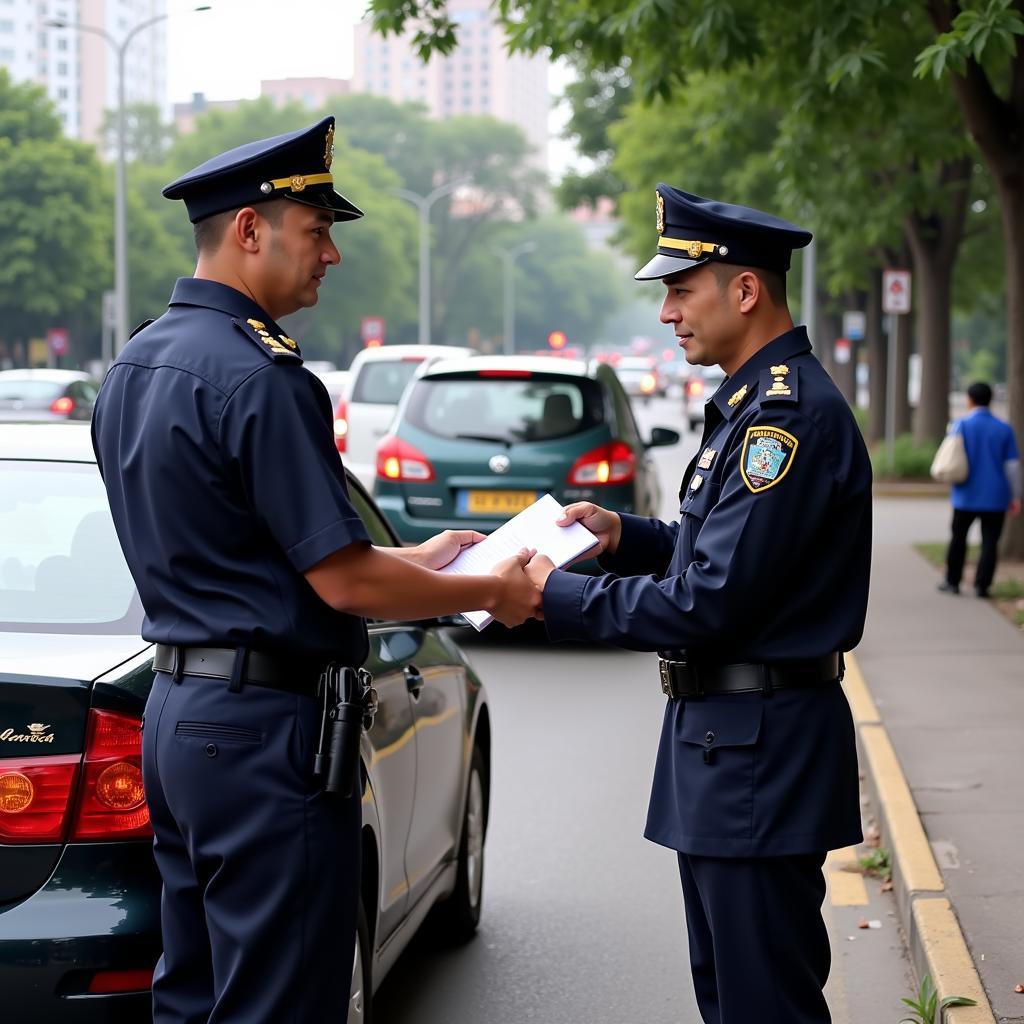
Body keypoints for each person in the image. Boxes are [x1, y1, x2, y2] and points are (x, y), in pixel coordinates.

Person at [90, 116, 541, 1024]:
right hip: (264, 735)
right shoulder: (264, 377)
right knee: (281, 1000)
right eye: (317, 229)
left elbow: (247, 546)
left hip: (180, 720)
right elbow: (342, 584)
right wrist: (490, 589)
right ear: (251, 230)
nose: (330, 254)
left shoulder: (135, 365)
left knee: (195, 992)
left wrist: (415, 557)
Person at [525, 184, 871, 1024]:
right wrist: (624, 537)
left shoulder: (779, 422)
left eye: (681, 291)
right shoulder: (750, 407)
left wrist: (553, 595)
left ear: (745, 290)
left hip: (757, 753)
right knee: (733, 997)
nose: (669, 313)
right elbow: (727, 553)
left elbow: (709, 601)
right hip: (733, 750)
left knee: (762, 1004)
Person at [938, 381, 1021, 597]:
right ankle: (982, 586)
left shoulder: (960, 425)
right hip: (996, 496)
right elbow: (1012, 467)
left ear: (969, 399)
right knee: (990, 542)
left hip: (965, 493)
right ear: (990, 400)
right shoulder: (1004, 429)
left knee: (958, 538)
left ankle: (952, 581)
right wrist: (1015, 496)